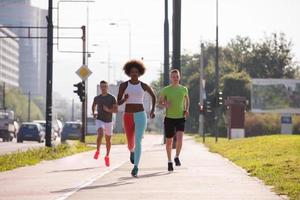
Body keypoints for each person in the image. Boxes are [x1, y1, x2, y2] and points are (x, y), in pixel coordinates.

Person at [117, 60, 156, 177]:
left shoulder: (143, 85)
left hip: (140, 114)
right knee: (130, 143)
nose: (134, 74)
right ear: (129, 73)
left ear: (140, 73)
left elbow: (153, 95)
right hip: (128, 115)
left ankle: (136, 167)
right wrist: (125, 99)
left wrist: (152, 110)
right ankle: (131, 151)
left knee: (138, 140)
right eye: (132, 72)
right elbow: (118, 102)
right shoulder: (124, 85)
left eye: (136, 72)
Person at [159, 69, 190, 172]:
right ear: (171, 78)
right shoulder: (166, 90)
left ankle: (176, 156)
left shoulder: (184, 89)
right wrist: (165, 105)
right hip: (169, 118)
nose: (175, 78)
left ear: (179, 77)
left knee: (180, 138)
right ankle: (169, 161)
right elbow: (159, 103)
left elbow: (187, 100)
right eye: (173, 77)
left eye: (177, 76)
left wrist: (186, 109)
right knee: (169, 141)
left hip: (180, 117)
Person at [92, 80, 118, 167]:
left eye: (105, 86)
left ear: (107, 87)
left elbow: (116, 110)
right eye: (101, 86)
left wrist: (108, 110)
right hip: (100, 119)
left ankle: (107, 156)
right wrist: (94, 112)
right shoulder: (97, 98)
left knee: (108, 140)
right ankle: (98, 151)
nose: (103, 88)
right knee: (100, 133)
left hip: (109, 121)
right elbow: (93, 106)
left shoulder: (112, 98)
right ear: (100, 87)